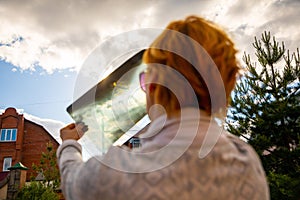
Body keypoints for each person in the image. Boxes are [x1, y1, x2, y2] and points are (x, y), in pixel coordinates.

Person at [57, 16, 270, 199]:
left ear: (154, 85)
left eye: (145, 80)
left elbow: (73, 181)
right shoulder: (247, 162)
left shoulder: (118, 170)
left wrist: (69, 144)